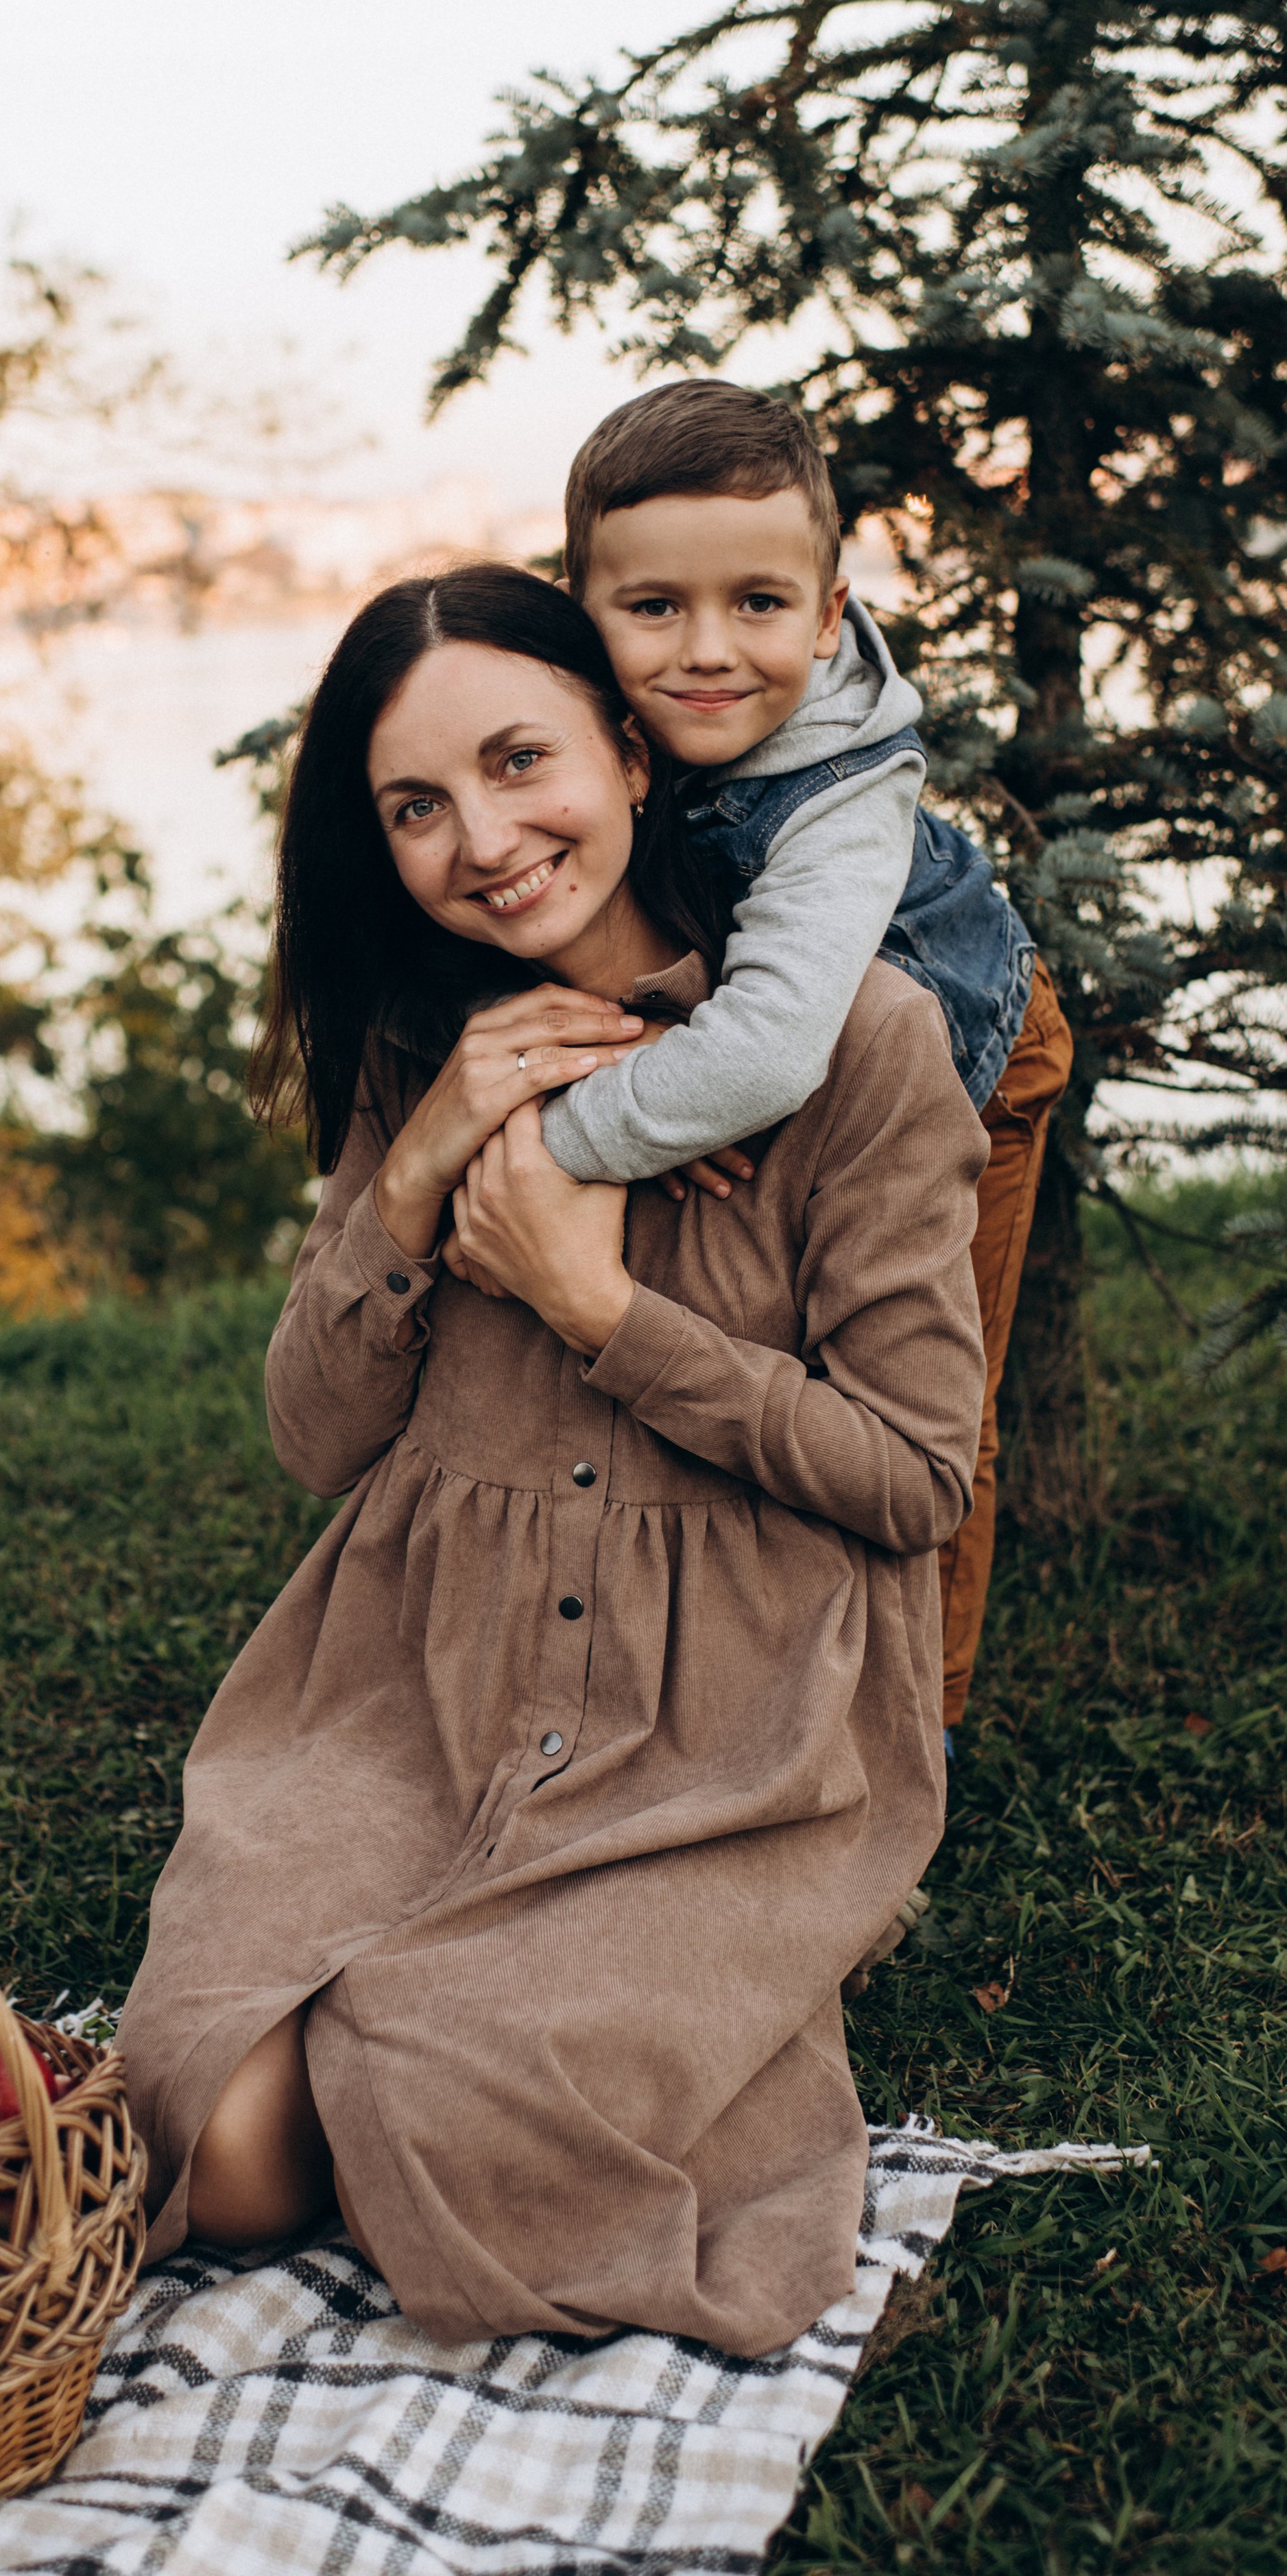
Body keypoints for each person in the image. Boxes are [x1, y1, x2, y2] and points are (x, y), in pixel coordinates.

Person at [115, 565, 989, 2357]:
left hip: (722, 1732)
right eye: (417, 807)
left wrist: (604, 1313)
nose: (486, 841)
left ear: (632, 744)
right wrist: (424, 1156)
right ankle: (426, 2004)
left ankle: (567, 2012)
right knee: (214, 2130)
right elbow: (318, 1436)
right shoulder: (419, 1045)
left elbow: (916, 1481)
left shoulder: (857, 1043)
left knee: (433, 2092)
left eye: (524, 761)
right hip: (407, 1690)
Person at [538, 382, 1073, 1742]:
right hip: (785, 1045)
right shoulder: (586, 731)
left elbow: (768, 1051)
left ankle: (917, 1733)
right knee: (767, 1371)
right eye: (651, 607)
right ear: (576, 603)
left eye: (758, 606)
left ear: (829, 614)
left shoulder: (842, 795)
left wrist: (549, 1142)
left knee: (921, 1397)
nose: (706, 652)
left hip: (970, 1061)